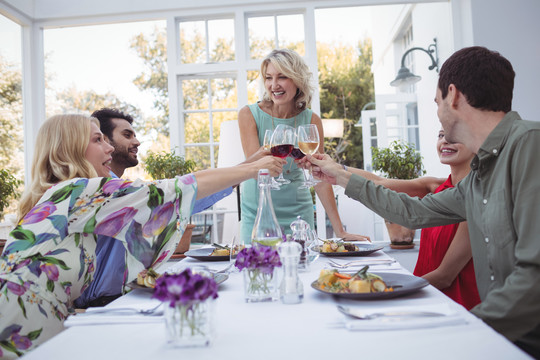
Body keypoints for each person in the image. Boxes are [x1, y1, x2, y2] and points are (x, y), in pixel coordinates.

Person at [306, 46, 540, 357]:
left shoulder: (528, 144)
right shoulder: (482, 172)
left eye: (436, 101)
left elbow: (534, 274)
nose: (438, 112)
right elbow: (415, 212)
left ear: (452, 95)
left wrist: (465, 331)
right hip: (498, 341)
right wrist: (340, 177)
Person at [0, 114, 284, 358]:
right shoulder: (76, 190)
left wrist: (246, 166)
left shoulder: (66, 194)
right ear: (70, 148)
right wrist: (250, 169)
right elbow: (170, 191)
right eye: (98, 140)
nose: (108, 146)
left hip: (37, 324)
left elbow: (170, 193)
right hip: (24, 330)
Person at [75, 108, 234, 308]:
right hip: (100, 306)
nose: (137, 142)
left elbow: (167, 202)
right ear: (106, 141)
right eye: (127, 135)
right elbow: (170, 197)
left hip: (122, 298)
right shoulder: (97, 190)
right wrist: (243, 172)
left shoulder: (119, 190)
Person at [238, 48, 369, 243]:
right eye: (268, 78)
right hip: (259, 213)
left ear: (297, 79)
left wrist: (340, 231)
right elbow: (255, 169)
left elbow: (320, 176)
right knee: (260, 270)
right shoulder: (249, 115)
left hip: (298, 215)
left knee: (302, 268)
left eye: (281, 77)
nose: (273, 85)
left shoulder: (311, 119)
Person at [345, 129, 480, 310]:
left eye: (455, 136)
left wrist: (385, 289)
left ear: (475, 144)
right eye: (440, 135)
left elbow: (445, 276)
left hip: (455, 308)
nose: (445, 141)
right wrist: (335, 169)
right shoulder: (436, 186)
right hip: (422, 296)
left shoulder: (476, 198)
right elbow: (380, 182)